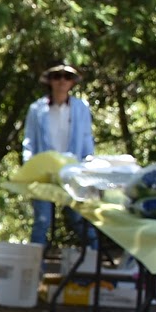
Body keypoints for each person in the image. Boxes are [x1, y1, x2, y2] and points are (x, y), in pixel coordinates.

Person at [22, 62, 97, 246]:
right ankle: (34, 270)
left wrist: (89, 167)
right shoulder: (37, 109)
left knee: (80, 220)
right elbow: (29, 141)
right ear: (50, 81)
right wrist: (29, 167)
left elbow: (87, 140)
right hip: (44, 174)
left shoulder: (80, 108)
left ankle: (93, 264)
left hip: (73, 172)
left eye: (67, 77)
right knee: (42, 222)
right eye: (57, 77)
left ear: (72, 82)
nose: (62, 81)